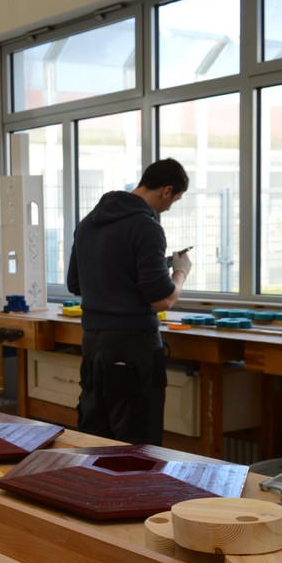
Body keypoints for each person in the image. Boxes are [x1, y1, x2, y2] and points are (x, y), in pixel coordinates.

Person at [66, 158, 192, 446]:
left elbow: (76, 284)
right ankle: (136, 493)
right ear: (166, 190)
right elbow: (162, 299)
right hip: (133, 347)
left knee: (96, 437)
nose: (170, 207)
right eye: (175, 199)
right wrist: (180, 271)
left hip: (94, 345)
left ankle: (92, 491)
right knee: (137, 443)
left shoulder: (87, 223)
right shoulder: (146, 226)